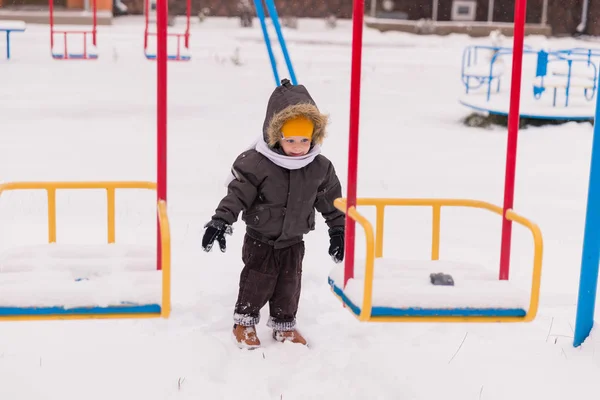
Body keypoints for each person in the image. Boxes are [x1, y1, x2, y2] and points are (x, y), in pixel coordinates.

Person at [201, 78, 346, 349]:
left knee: (289, 285)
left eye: (304, 140)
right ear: (276, 136)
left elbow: (331, 201)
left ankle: (284, 326)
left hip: (293, 240)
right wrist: (221, 220)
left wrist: (339, 230)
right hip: (261, 238)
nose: (298, 146)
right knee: (257, 280)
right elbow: (237, 195)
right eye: (290, 140)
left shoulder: (319, 167)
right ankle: (244, 321)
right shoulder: (257, 163)